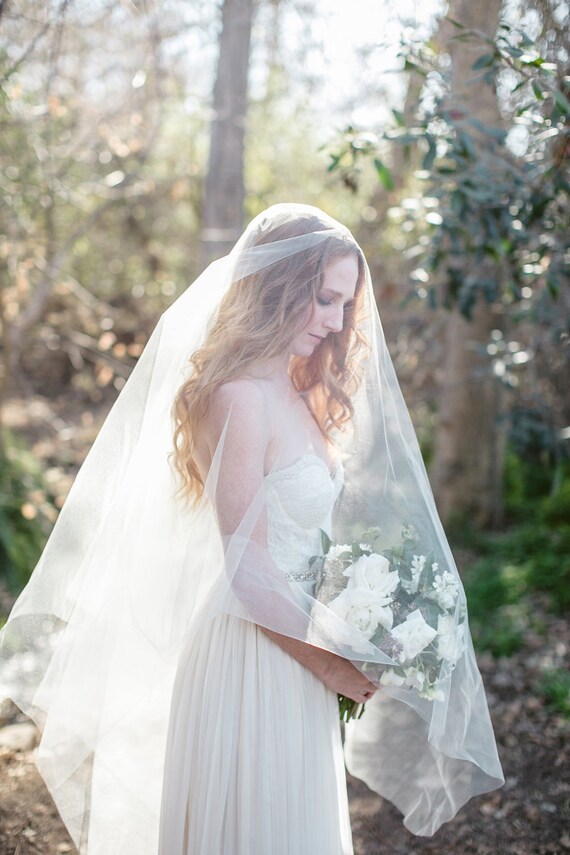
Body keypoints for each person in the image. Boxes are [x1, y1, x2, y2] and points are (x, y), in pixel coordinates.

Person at [0, 204, 503, 855]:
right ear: (278, 287)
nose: (333, 321)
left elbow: (304, 544)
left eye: (344, 305)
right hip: (249, 661)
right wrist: (341, 656)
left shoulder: (298, 393)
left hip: (296, 653)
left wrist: (366, 610)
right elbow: (249, 568)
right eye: (323, 298)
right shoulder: (237, 396)